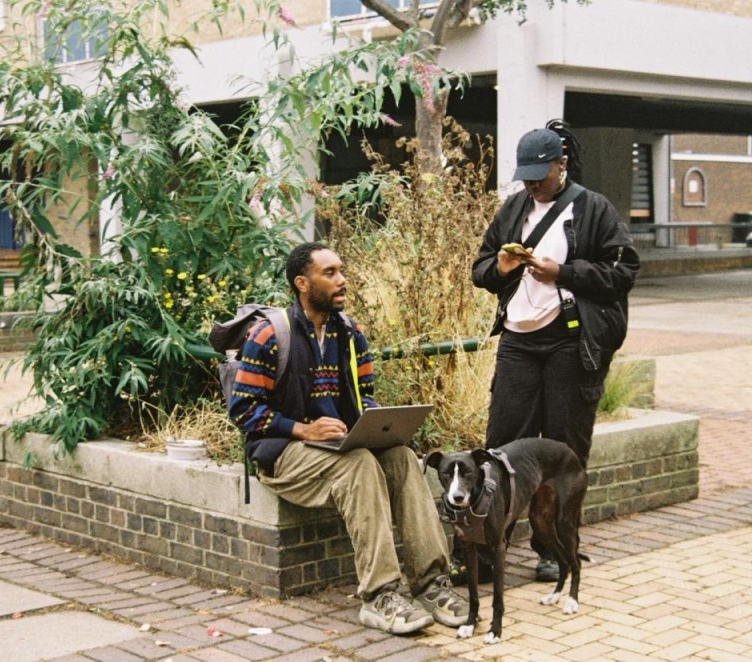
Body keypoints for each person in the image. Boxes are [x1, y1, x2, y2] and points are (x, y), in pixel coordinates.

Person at [229, 241, 469, 635]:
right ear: (302, 283)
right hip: (283, 454)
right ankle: (380, 596)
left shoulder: (350, 333)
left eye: (342, 270)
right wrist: (303, 429)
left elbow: (364, 393)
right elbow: (243, 410)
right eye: (331, 273)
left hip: (337, 448)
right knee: (358, 466)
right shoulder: (270, 334)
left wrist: (375, 424)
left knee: (403, 458)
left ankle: (431, 583)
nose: (342, 280)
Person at [461, 120, 640, 583]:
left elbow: (622, 272)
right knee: (499, 448)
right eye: (526, 175)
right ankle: (484, 549)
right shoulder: (514, 207)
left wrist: (563, 271)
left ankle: (554, 548)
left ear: (562, 164)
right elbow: (480, 268)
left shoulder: (593, 208)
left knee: (563, 450)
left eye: (541, 173)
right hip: (519, 341)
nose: (533, 183)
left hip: (569, 342)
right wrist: (499, 268)